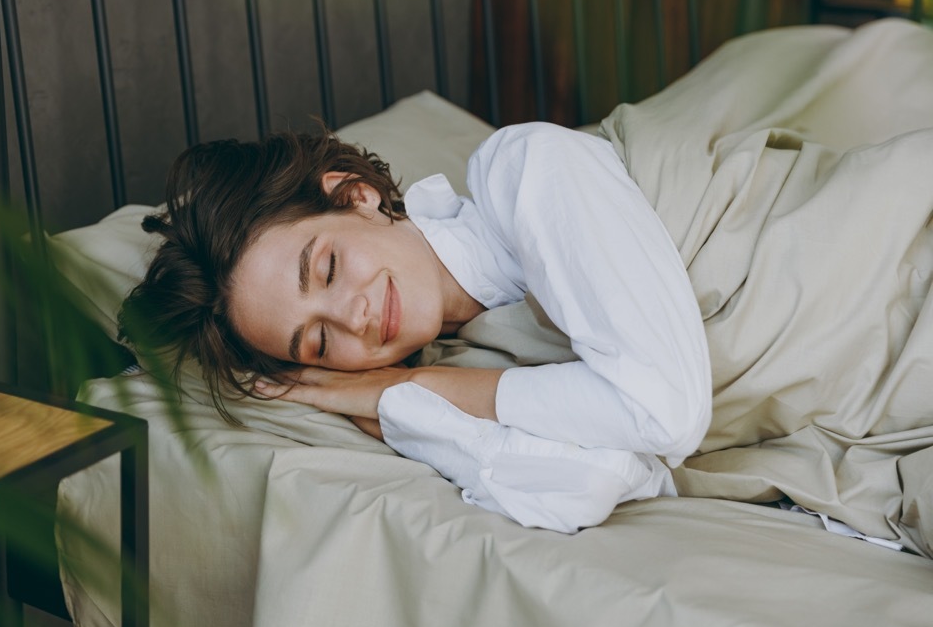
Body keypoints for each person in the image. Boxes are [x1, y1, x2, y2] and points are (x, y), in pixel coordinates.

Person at [120, 122, 712, 534]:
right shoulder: (460, 366)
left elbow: (665, 415)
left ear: (356, 196)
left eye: (327, 268)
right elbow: (602, 482)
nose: (354, 318)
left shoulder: (528, 169)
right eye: (320, 342)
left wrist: (397, 390)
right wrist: (407, 403)